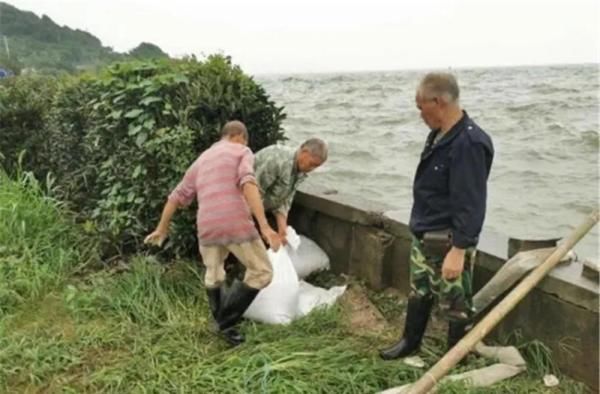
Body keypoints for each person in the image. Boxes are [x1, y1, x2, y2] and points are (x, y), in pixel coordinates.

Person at [380, 72, 494, 360]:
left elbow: (472, 203)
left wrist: (458, 250)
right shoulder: (438, 135)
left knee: (455, 302)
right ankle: (410, 342)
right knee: (419, 290)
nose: (420, 114)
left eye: (421, 107)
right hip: (425, 233)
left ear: (439, 101)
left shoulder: (469, 143)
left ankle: (455, 358)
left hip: (449, 240)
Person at [145, 120, 281, 346]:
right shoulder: (242, 151)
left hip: (207, 226)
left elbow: (175, 197)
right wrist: (265, 226)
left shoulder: (201, 160)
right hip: (235, 222)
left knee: (214, 272)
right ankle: (225, 322)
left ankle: (220, 320)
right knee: (262, 271)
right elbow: (248, 182)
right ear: (240, 136)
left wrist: (162, 228)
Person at [254, 138, 328, 243]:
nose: (312, 169)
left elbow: (284, 199)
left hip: (261, 209)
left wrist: (282, 230)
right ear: (304, 152)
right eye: (312, 164)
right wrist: (264, 227)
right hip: (239, 206)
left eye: (316, 167)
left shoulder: (300, 169)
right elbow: (253, 193)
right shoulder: (277, 160)